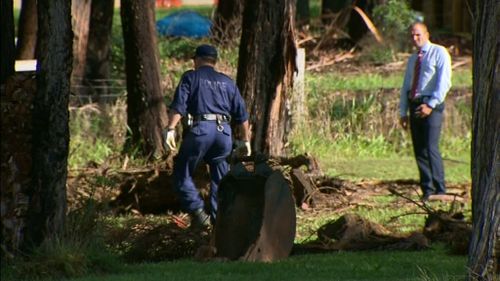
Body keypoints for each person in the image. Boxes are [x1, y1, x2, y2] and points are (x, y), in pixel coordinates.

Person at [164, 44, 251, 228]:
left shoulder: (191, 77)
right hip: (224, 135)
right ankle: (219, 227)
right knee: (221, 181)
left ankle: (198, 214)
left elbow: (179, 106)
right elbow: (242, 115)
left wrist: (170, 128)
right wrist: (245, 140)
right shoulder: (227, 82)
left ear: (196, 60)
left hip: (201, 131)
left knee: (182, 173)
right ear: (214, 61)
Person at [399, 22, 452, 201]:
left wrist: (431, 104)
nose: (415, 39)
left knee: (431, 147)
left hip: (432, 104)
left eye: (418, 35)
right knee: (419, 149)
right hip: (415, 104)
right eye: (412, 35)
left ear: (427, 34)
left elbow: (444, 82)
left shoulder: (439, 52)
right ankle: (427, 190)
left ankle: (440, 189)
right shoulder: (413, 59)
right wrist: (403, 112)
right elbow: (406, 86)